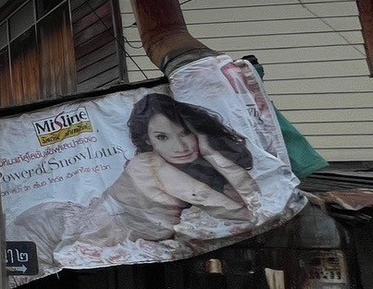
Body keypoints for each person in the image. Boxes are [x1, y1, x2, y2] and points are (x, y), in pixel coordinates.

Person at [14, 93, 260, 268]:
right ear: (149, 141)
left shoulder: (195, 167)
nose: (180, 146)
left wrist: (212, 153)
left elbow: (252, 199)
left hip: (90, 229)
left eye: (185, 133)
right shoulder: (149, 164)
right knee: (5, 274)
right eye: (162, 137)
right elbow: (248, 212)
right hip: (58, 227)